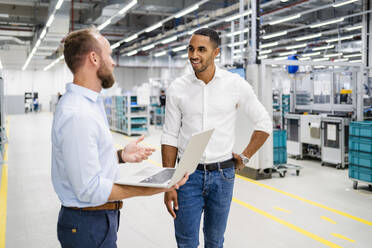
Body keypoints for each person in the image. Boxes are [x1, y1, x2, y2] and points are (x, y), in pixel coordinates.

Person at [51, 27, 188, 248]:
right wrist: (154, 188)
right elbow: (90, 190)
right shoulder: (77, 113)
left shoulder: (90, 104)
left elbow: (82, 162)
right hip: (87, 225)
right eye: (109, 55)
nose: (113, 62)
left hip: (96, 221)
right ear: (94, 58)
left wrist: (120, 156)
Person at [161, 28, 272, 248]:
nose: (194, 55)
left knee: (215, 241)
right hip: (186, 176)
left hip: (223, 176)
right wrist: (169, 184)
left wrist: (246, 156)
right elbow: (170, 136)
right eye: (191, 49)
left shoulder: (235, 85)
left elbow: (264, 123)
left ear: (216, 52)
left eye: (201, 49)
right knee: (186, 242)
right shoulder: (177, 88)